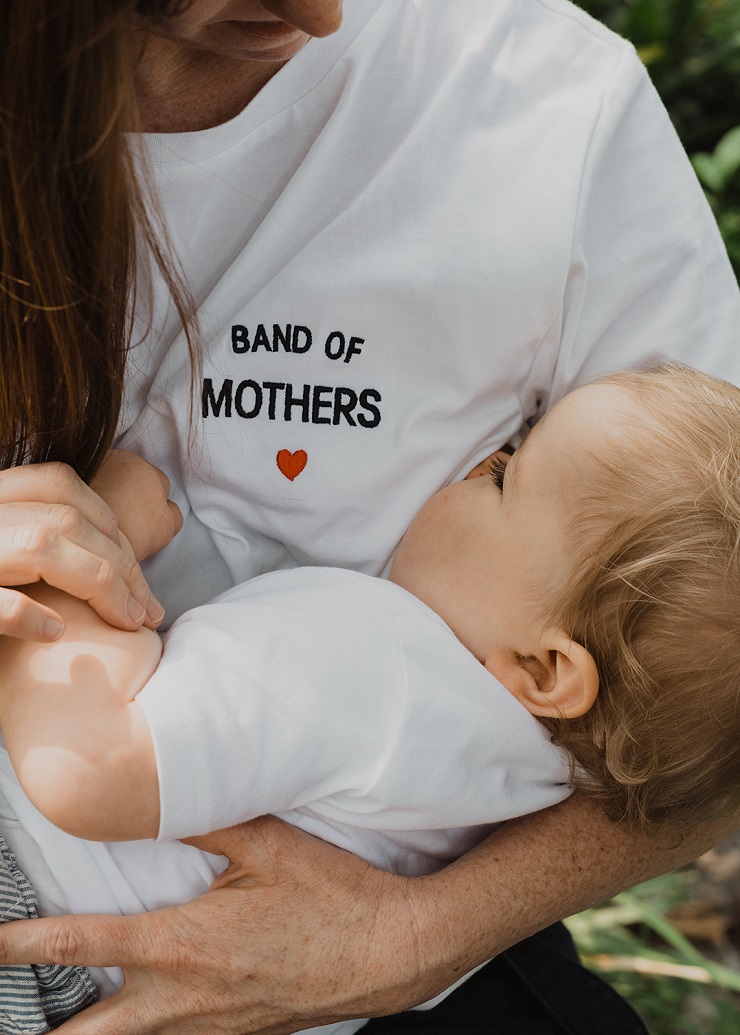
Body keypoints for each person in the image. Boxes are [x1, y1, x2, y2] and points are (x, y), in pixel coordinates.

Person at [0, 2, 739, 1033]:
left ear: (547, 669)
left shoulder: (539, 92)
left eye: (507, 473)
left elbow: (710, 714)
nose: (326, 14)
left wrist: (408, 942)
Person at [1, 362, 740, 1035]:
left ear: (546, 669)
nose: (481, 461)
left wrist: (92, 551)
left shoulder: (382, 663)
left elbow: (89, 768)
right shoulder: (535, 779)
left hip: (34, 919)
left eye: (507, 477)